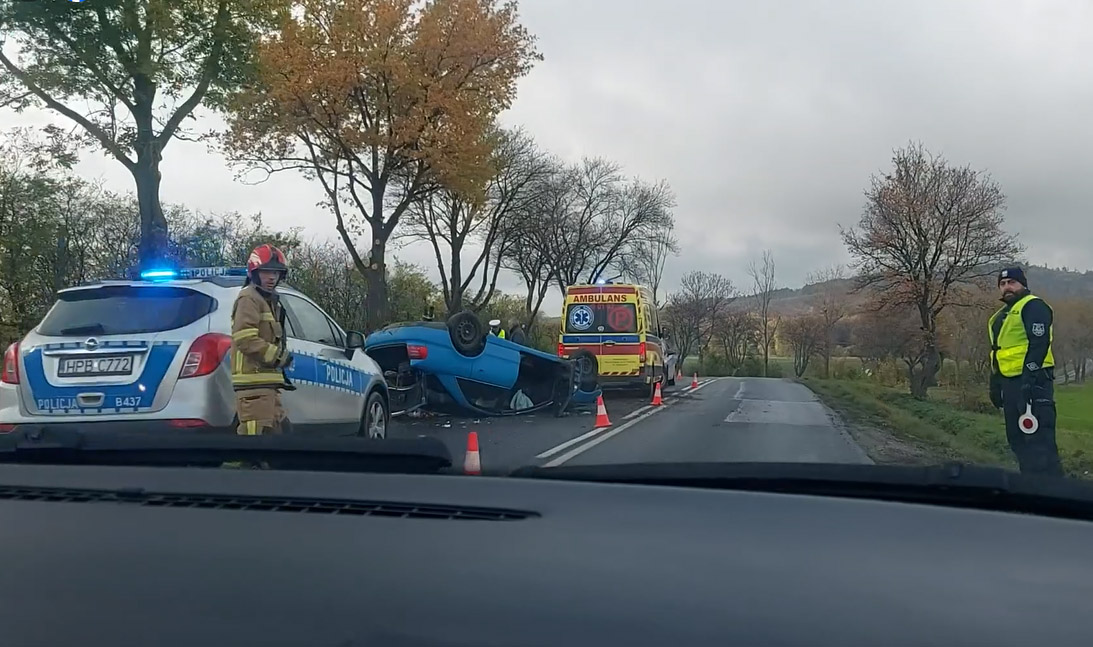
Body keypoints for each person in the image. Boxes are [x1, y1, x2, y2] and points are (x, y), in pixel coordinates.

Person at [988, 267, 1062, 476]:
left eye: (1012, 282)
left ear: (1023, 284)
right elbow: (998, 352)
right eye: (1002, 284)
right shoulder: (1000, 317)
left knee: (1039, 443)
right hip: (1010, 384)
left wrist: (1029, 379)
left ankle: (1053, 495)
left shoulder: (1033, 306)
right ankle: (1029, 489)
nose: (1006, 287)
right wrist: (995, 383)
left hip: (1034, 382)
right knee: (1017, 439)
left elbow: (1039, 343)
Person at [230, 244, 294, 436]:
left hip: (266, 384)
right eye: (266, 272)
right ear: (254, 273)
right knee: (256, 442)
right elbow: (245, 338)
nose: (272, 277)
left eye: (276, 272)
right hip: (253, 384)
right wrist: (277, 356)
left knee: (281, 435)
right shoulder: (249, 298)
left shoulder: (267, 300)